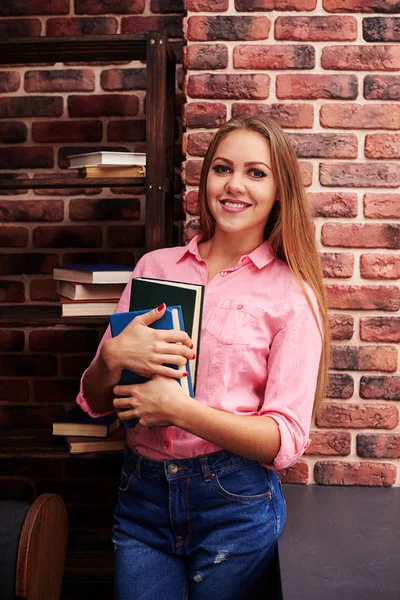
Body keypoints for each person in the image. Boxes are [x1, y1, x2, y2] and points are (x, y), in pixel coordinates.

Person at [76, 114, 330, 600]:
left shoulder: (292, 294)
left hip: (233, 504)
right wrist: (111, 358)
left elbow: (285, 439)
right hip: (141, 499)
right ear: (206, 178)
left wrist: (177, 411)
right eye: (222, 168)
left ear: (280, 191)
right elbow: (94, 400)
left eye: (256, 172)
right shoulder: (156, 267)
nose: (235, 185)